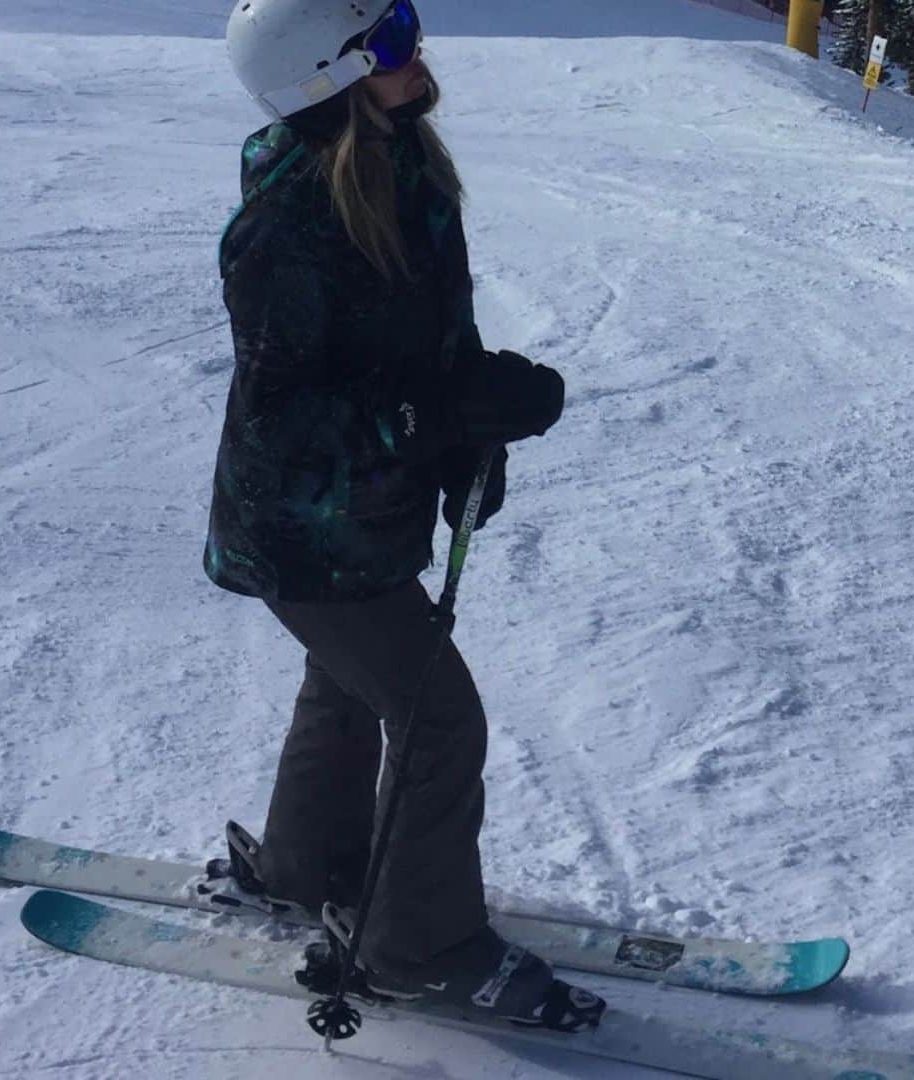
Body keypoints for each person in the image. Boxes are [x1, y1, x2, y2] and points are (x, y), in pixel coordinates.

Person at [202, 0, 604, 1033]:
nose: (411, 51)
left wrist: (469, 426)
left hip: (366, 516)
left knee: (348, 687)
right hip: (297, 523)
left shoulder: (405, 163)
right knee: (435, 716)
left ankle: (308, 866)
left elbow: (427, 344)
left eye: (404, 24)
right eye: (383, 43)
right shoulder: (288, 220)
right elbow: (286, 419)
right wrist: (432, 415)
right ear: (322, 80)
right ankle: (414, 949)